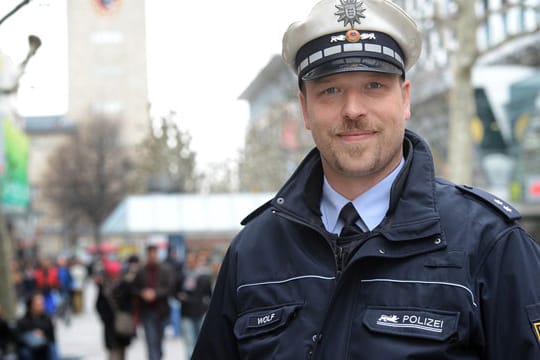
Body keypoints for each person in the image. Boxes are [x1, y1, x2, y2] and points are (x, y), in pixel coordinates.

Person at [192, 1, 540, 359]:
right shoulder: (252, 253)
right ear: (305, 108)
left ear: (404, 99)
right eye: (330, 90)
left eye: (373, 85)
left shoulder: (489, 244)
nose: (353, 109)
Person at [132, 245, 174, 360]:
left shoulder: (165, 270)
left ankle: (158, 356)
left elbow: (169, 287)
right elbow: (134, 288)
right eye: (150, 254)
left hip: (162, 310)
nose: (153, 257)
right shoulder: (141, 271)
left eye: (154, 254)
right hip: (147, 311)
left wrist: (155, 293)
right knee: (151, 340)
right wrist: (143, 293)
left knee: (159, 340)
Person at [95, 260, 135, 360]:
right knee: (113, 352)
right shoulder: (104, 287)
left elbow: (131, 303)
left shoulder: (125, 286)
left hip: (123, 323)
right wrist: (106, 318)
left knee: (122, 351)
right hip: (110, 325)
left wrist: (126, 315)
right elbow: (99, 305)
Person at [176, 252, 212, 358]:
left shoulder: (204, 277)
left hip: (200, 312)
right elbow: (175, 291)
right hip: (186, 312)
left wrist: (205, 306)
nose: (189, 263)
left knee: (199, 340)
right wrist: (180, 297)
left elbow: (209, 295)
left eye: (192, 261)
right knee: (189, 341)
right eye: (188, 261)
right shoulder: (182, 276)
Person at [16, 292, 59, 360]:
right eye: (39, 304)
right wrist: (32, 335)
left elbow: (52, 338)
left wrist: (43, 335)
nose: (42, 306)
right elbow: (18, 338)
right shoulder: (22, 321)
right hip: (29, 348)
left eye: (42, 304)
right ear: (31, 305)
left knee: (52, 348)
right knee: (24, 352)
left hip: (44, 347)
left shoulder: (47, 319)